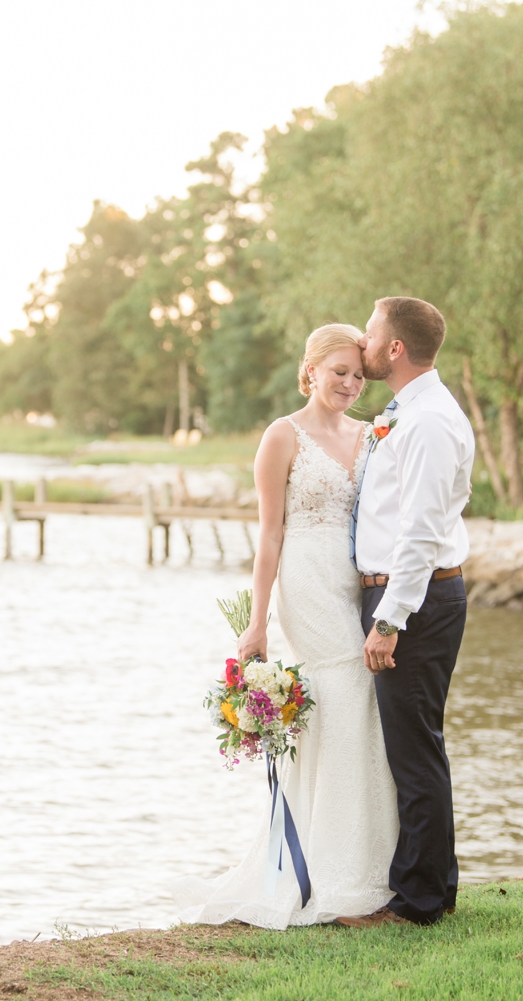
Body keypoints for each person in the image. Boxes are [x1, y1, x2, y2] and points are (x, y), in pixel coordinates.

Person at [170, 324, 399, 929]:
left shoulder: (370, 433)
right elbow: (269, 534)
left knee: (354, 707)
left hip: (355, 582)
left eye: (357, 375)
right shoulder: (282, 435)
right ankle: (329, 876)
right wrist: (257, 622)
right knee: (346, 692)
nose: (350, 384)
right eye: (339, 373)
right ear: (311, 371)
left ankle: (357, 864)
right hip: (306, 582)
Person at [336, 296, 475, 928]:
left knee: (415, 752)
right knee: (418, 746)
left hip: (412, 599)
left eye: (370, 332)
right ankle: (433, 888)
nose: (362, 342)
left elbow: (420, 532)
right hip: (404, 592)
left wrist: (389, 621)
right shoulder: (408, 412)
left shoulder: (428, 422)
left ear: (394, 348)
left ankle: (418, 902)